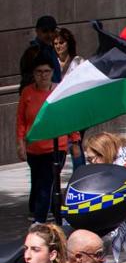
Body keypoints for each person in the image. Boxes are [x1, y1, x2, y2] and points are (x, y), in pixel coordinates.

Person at [17, 57, 79, 223]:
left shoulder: (59, 91)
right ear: (33, 74)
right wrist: (20, 143)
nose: (43, 75)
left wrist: (75, 141)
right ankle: (50, 213)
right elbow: (21, 120)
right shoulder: (27, 93)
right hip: (33, 147)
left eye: (46, 71)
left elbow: (69, 118)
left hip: (55, 147)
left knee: (46, 183)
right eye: (39, 72)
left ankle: (39, 219)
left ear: (52, 73)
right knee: (38, 183)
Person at [18, 15, 60, 89]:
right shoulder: (33, 52)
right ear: (37, 31)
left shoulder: (51, 49)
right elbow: (27, 82)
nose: (49, 35)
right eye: (45, 31)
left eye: (52, 30)